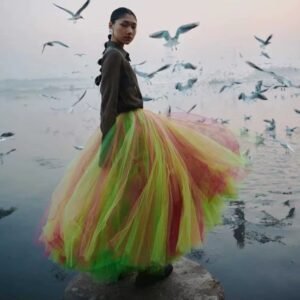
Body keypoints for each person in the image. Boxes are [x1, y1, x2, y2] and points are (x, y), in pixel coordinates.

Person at [39, 7, 245, 287]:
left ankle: (124, 261)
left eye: (134, 27)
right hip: (127, 131)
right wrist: (109, 145)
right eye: (125, 25)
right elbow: (108, 103)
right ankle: (147, 266)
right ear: (110, 25)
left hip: (134, 128)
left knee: (127, 197)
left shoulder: (116, 54)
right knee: (146, 196)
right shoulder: (113, 56)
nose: (130, 31)